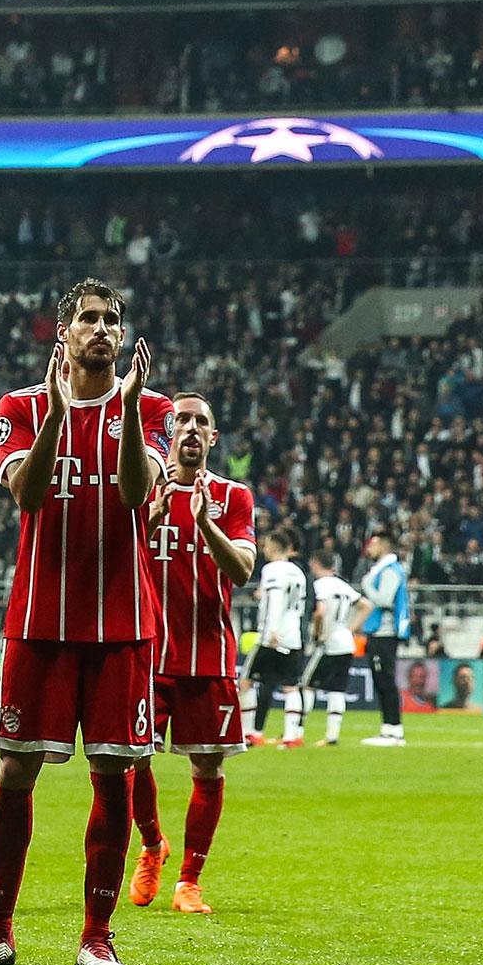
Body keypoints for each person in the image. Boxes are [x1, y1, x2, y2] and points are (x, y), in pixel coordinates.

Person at [0, 278, 171, 965]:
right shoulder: (20, 405)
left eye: (111, 320)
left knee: (112, 773)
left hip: (122, 622)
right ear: (64, 334)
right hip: (40, 620)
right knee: (15, 770)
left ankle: (97, 936)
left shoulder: (154, 408)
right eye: (87, 320)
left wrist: (129, 411)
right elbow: (27, 492)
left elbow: (138, 492)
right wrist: (56, 416)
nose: (100, 330)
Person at [128, 392, 256, 915]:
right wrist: (152, 519)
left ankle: (189, 881)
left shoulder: (233, 498)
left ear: (213, 437)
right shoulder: (142, 489)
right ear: (167, 430)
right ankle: (153, 844)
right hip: (147, 653)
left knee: (208, 768)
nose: (191, 429)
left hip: (208, 656)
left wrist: (205, 524)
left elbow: (243, 571)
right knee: (131, 759)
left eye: (202, 421)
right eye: (181, 419)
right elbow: (113, 555)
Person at [248, 531, 309, 749]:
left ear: (274, 547)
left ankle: (250, 732)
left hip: (272, 636)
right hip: (293, 636)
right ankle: (292, 736)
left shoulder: (271, 569)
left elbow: (276, 599)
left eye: (266, 545)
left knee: (246, 681)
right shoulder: (298, 572)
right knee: (291, 686)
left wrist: (272, 630)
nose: (263, 549)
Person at [303, 550, 369, 745]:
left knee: (307, 685)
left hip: (328, 641)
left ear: (315, 563)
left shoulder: (320, 585)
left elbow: (319, 613)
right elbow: (366, 605)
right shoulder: (342, 584)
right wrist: (350, 629)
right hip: (346, 641)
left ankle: (296, 729)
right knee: (337, 689)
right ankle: (332, 736)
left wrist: (317, 633)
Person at [358, 530, 411, 746]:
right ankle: (388, 728)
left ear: (383, 546)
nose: (369, 549)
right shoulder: (384, 569)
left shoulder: (389, 571)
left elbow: (384, 599)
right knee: (381, 681)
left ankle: (394, 730)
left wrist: (366, 584)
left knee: (386, 680)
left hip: (385, 633)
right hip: (378, 632)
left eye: (373, 544)